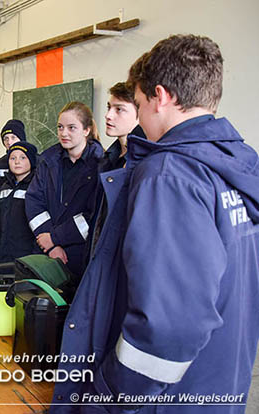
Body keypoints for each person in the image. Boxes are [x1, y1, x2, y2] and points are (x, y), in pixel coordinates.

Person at [52, 34, 259, 414]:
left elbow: (168, 325)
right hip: (219, 385)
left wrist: (108, 395)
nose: (140, 115)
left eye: (140, 102)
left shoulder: (169, 174)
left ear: (160, 97)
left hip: (162, 400)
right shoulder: (235, 167)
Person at [25, 102, 103, 277]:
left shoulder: (101, 166)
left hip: (81, 257)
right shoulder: (48, 162)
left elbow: (93, 216)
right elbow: (34, 201)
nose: (64, 133)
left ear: (86, 130)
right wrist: (50, 244)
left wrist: (55, 238)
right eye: (60, 127)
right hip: (46, 253)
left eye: (71, 127)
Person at [85, 82, 144, 260]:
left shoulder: (145, 162)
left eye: (119, 109)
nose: (108, 115)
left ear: (140, 114)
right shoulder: (108, 159)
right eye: (109, 107)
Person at [0, 141, 39, 262]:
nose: (17, 162)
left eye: (22, 157)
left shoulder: (37, 187)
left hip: (28, 255)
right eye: (12, 158)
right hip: (4, 254)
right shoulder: (4, 186)